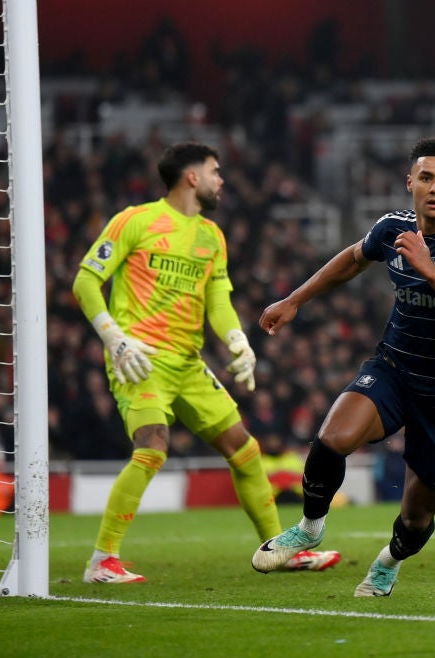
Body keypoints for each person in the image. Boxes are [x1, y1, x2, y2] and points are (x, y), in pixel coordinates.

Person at [73, 142, 340, 583]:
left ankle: (282, 550)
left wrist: (237, 338)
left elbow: (217, 301)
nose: (221, 180)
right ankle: (102, 559)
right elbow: (86, 280)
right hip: (140, 359)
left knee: (245, 449)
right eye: (215, 171)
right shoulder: (135, 221)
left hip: (189, 364)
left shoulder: (212, 237)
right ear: (192, 176)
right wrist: (114, 338)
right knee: (152, 446)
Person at [250, 137, 435, 597]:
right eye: (426, 177)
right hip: (395, 368)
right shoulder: (392, 228)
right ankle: (309, 528)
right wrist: (294, 299)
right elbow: (351, 260)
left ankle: (388, 562)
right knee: (331, 440)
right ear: (410, 183)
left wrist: (430, 270)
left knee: (416, 518)